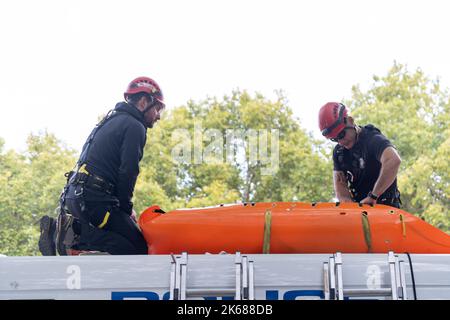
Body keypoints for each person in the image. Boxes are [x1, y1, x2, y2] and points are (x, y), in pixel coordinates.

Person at [38, 76, 165, 256]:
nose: (159, 116)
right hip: (95, 200)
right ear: (144, 102)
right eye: (158, 108)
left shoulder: (109, 121)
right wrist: (126, 209)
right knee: (138, 249)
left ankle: (67, 235)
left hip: (76, 196)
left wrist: (123, 210)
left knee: (119, 241)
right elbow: (128, 171)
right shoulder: (135, 126)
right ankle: (71, 235)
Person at [318, 102, 402, 208]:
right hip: (361, 212)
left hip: (387, 209)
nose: (340, 142)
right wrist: (352, 209)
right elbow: (341, 190)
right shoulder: (339, 153)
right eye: (335, 139)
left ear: (350, 121)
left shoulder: (373, 139)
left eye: (341, 135)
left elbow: (393, 160)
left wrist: (374, 196)